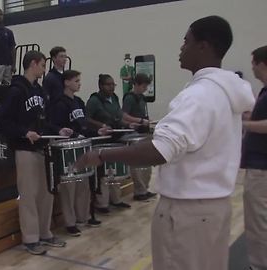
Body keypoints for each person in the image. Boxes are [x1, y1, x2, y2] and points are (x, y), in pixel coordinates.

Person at [75, 16, 256, 270]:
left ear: (204, 46)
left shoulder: (199, 95)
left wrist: (102, 154)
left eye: (186, 41)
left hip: (187, 214)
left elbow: (161, 149)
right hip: (214, 208)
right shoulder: (226, 91)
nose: (181, 47)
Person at [0, 50, 73, 255]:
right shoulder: (16, 90)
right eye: (43, 64)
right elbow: (1, 120)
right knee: (28, 195)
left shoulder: (39, 91)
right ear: (33, 64)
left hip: (42, 148)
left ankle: (45, 232)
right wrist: (23, 132)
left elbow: (43, 121)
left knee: (46, 193)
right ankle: (30, 238)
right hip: (24, 149)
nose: (45, 68)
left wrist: (57, 130)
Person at [48, 70, 109, 236]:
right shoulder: (58, 103)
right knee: (69, 187)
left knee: (84, 184)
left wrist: (97, 133)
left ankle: (84, 216)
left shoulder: (79, 102)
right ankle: (70, 222)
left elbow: (84, 126)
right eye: (76, 80)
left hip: (82, 147)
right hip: (67, 150)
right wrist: (70, 134)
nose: (79, 83)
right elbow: (54, 127)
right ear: (66, 82)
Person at [86, 74, 142, 214]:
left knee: (114, 172)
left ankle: (116, 200)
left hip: (115, 138)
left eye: (113, 84)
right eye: (108, 84)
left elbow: (118, 117)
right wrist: (101, 125)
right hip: (102, 140)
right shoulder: (94, 100)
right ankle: (102, 203)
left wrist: (129, 124)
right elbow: (86, 119)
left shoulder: (115, 98)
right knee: (104, 174)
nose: (111, 87)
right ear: (101, 86)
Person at [241, 45, 267, 270]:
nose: (252, 68)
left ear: (262, 64)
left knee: (258, 223)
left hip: (262, 169)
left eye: (253, 63)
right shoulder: (263, 92)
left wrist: (242, 125)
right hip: (259, 166)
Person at [122, 73, 156, 201]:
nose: (145, 88)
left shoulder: (142, 97)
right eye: (143, 86)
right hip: (134, 134)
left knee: (147, 164)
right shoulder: (129, 98)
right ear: (136, 84)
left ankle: (145, 189)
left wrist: (147, 121)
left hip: (143, 133)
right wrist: (140, 121)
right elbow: (124, 115)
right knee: (137, 165)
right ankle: (139, 191)